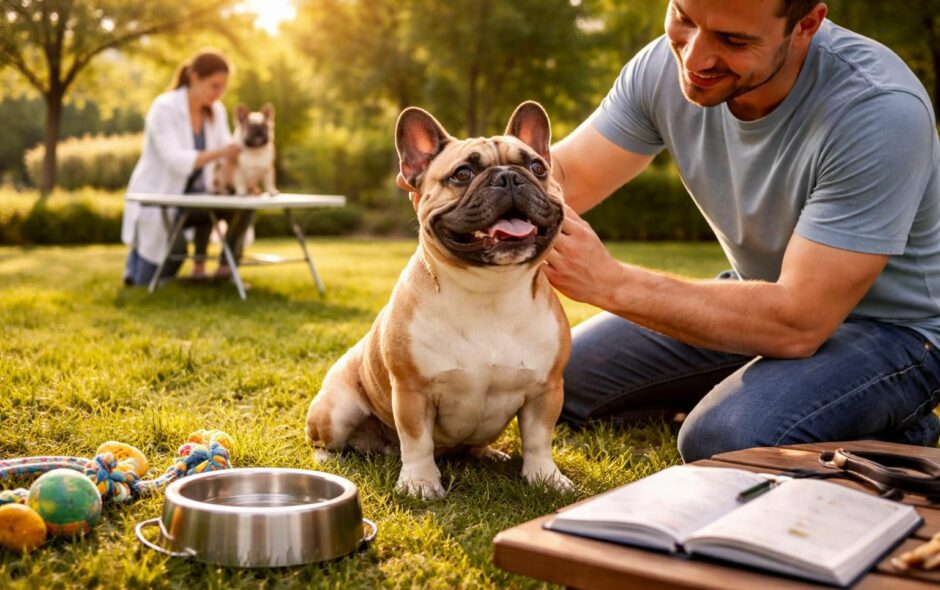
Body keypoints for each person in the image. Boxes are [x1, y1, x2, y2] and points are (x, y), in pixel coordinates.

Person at [539, 0, 940, 462]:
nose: (693, 59)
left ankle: (897, 425)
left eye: (733, 40)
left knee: (725, 437)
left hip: (896, 333)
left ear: (806, 25)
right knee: (561, 377)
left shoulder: (878, 109)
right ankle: (788, 396)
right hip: (759, 298)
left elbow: (799, 322)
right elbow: (565, 178)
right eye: (684, 18)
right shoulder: (661, 68)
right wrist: (464, 190)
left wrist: (611, 283)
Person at [122, 49, 253, 286]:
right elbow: (174, 159)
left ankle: (225, 270)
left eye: (223, 87)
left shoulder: (217, 111)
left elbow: (226, 154)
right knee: (153, 276)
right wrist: (223, 152)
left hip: (197, 198)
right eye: (215, 85)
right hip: (163, 196)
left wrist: (243, 164)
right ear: (195, 78)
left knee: (244, 207)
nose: (219, 93)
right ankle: (135, 269)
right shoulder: (164, 108)